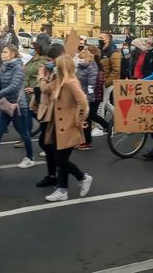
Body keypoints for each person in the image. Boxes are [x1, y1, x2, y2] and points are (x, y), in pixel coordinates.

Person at [39, 55, 93, 202]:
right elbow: (44, 89)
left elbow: (83, 103)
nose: (54, 67)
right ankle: (62, 189)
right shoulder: (59, 81)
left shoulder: (70, 82)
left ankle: (83, 177)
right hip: (58, 127)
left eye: (57, 65)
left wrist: (79, 119)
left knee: (60, 160)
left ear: (63, 67)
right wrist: (43, 76)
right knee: (60, 159)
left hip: (68, 127)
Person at [0, 45, 34, 169]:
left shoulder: (18, 68)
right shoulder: (4, 67)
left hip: (18, 107)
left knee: (24, 134)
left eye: (5, 52)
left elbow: (14, 87)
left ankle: (30, 158)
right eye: (2, 52)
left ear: (13, 54)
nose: (2, 54)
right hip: (6, 105)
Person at [34, 44, 66, 187]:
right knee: (47, 144)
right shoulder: (53, 69)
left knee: (51, 146)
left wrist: (41, 76)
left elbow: (46, 89)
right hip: (47, 110)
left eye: (51, 59)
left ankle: (80, 176)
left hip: (57, 113)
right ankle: (53, 174)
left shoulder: (63, 72)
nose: (48, 62)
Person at [76, 48, 110, 150]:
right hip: (86, 95)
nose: (80, 60)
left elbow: (91, 84)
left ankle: (87, 141)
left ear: (87, 58)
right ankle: (87, 139)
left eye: (81, 58)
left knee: (89, 116)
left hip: (93, 97)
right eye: (79, 58)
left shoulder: (92, 67)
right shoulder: (82, 67)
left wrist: (89, 97)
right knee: (89, 116)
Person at [99, 31, 122, 121]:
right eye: (99, 38)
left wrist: (106, 83)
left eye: (101, 38)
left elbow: (116, 70)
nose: (99, 40)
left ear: (107, 39)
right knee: (106, 103)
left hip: (108, 82)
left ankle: (99, 126)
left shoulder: (113, 53)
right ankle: (121, 118)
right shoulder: (101, 50)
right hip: (102, 81)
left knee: (101, 104)